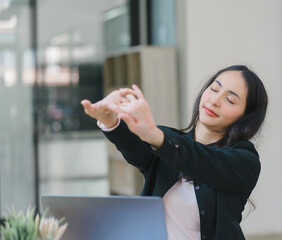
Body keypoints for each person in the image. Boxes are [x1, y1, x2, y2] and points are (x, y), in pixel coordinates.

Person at [81, 65, 268, 240]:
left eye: (230, 100)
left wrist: (154, 136)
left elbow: (203, 161)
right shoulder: (165, 140)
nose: (215, 101)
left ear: (245, 117)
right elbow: (133, 147)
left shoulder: (245, 161)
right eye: (214, 89)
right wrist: (109, 119)